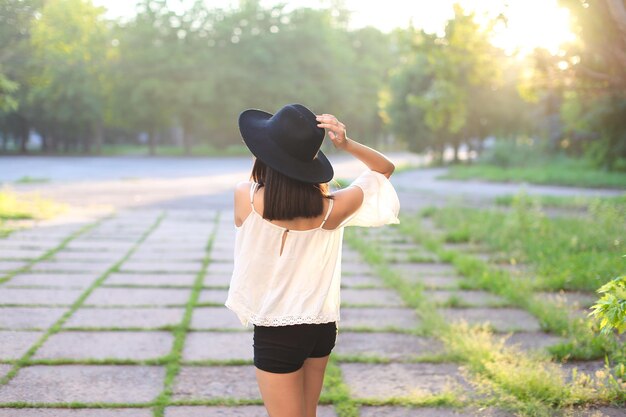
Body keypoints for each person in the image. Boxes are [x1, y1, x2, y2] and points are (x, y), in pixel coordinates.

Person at [225, 103, 400, 417]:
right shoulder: (332, 208)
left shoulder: (245, 197)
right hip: (320, 327)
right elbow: (383, 170)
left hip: (276, 330)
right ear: (310, 162)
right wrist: (345, 144)